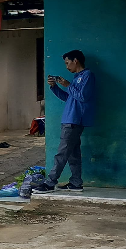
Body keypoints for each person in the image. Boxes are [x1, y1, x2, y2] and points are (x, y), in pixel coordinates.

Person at [37, 50, 94, 193]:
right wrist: (54, 87)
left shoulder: (87, 75)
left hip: (75, 120)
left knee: (62, 153)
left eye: (67, 63)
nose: (67, 66)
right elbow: (68, 98)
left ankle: (50, 182)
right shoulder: (76, 78)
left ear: (76, 61)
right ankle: (76, 182)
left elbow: (83, 96)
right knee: (73, 154)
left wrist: (68, 85)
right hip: (69, 119)